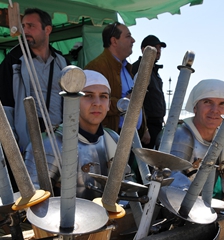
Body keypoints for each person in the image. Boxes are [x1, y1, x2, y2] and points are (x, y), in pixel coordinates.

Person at [155, 79, 224, 240]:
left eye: (222, 104)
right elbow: (170, 182)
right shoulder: (179, 134)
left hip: (210, 211)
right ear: (195, 107)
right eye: (207, 102)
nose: (215, 110)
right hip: (171, 214)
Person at [24, 70, 131, 200]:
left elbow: (127, 184)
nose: (97, 103)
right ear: (73, 100)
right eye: (88, 95)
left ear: (109, 104)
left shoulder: (113, 139)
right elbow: (34, 196)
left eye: (103, 96)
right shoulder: (50, 143)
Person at [0, 8, 69, 154]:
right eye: (23, 26)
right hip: (26, 143)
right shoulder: (13, 60)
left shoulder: (62, 62)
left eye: (31, 26)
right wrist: (11, 145)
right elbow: (5, 105)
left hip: (60, 140)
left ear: (47, 29)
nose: (25, 30)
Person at [84, 22, 149, 143]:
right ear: (114, 41)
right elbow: (89, 102)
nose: (133, 40)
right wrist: (124, 103)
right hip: (110, 139)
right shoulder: (96, 68)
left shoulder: (126, 68)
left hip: (131, 137)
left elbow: (135, 100)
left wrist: (144, 128)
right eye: (128, 36)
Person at [132, 35, 166, 149]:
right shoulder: (140, 68)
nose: (158, 51)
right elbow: (136, 101)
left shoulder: (153, 70)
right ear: (143, 50)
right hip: (147, 126)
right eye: (155, 47)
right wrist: (144, 129)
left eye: (159, 48)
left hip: (157, 124)